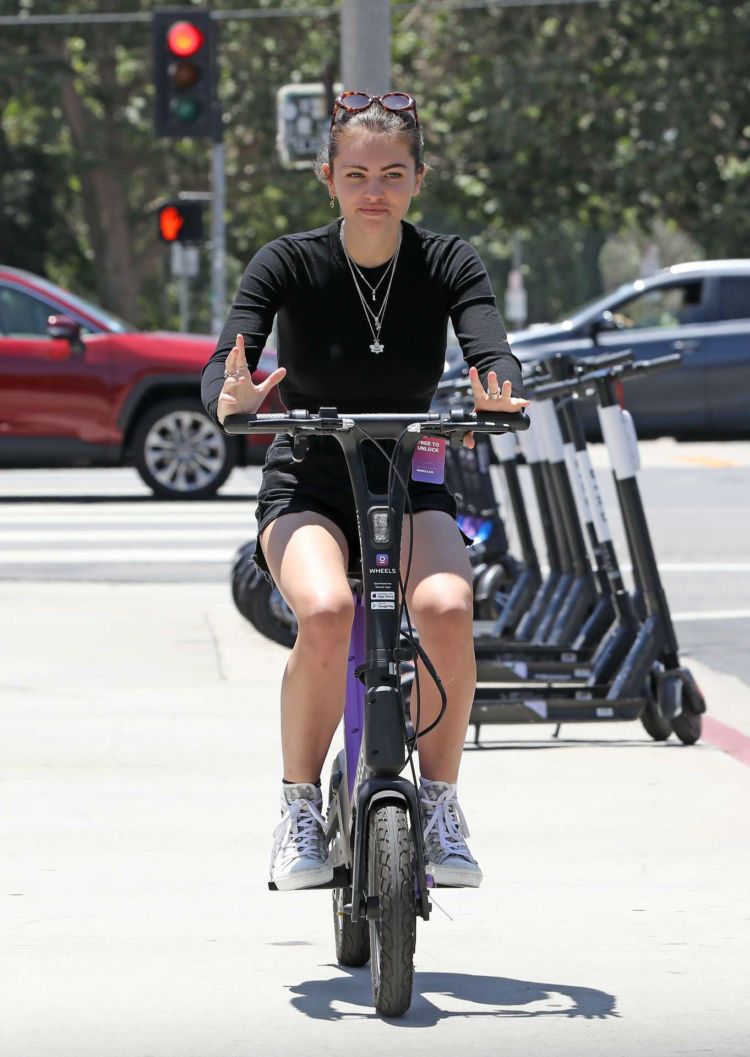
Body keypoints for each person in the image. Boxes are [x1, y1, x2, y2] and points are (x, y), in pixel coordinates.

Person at [201, 90, 528, 892]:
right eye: (355, 173)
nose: (372, 189)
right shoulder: (288, 259)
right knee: (326, 611)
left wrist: (499, 390)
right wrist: (231, 397)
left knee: (448, 607)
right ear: (328, 178)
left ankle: (443, 803)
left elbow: (493, 349)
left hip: (406, 476)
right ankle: (299, 805)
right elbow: (229, 360)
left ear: (418, 177)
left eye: (390, 173)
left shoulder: (449, 262)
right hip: (310, 477)